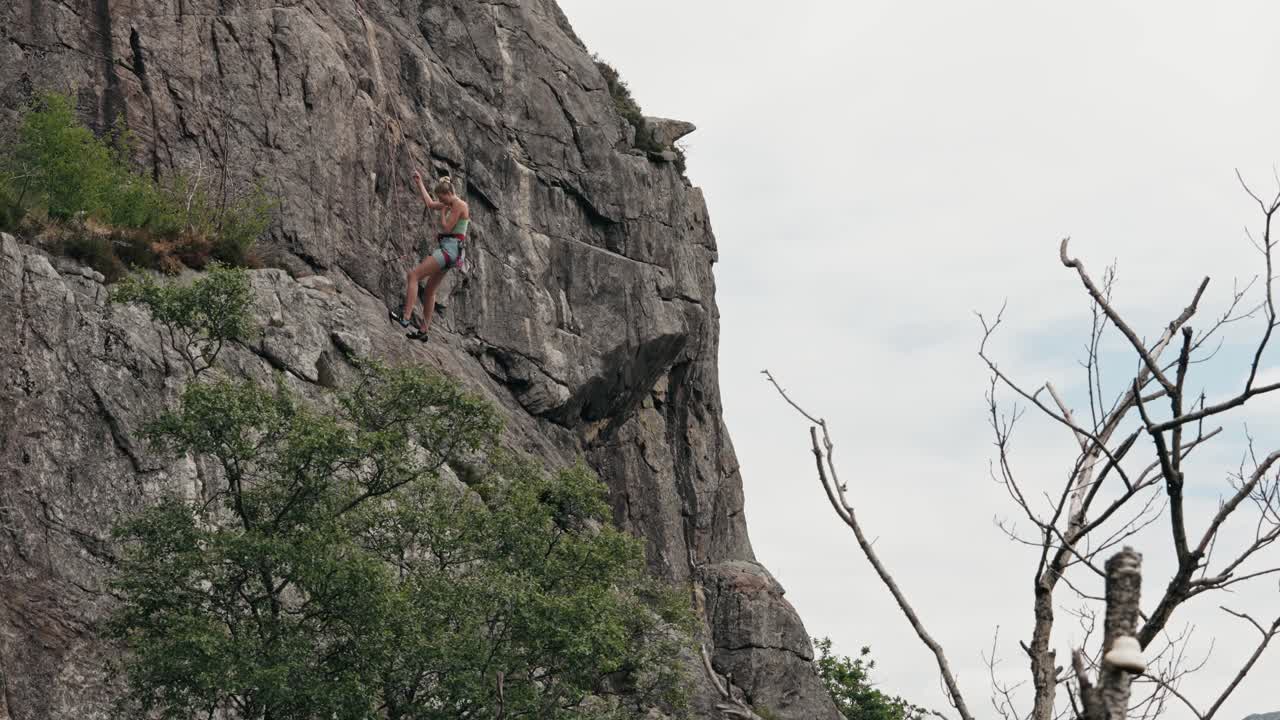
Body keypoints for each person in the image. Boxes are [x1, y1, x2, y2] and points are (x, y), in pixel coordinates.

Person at [389, 172, 469, 342]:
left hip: (450, 250)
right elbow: (431, 204)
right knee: (430, 291)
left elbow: (447, 228)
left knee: (413, 275)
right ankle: (424, 331)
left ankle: (406, 317)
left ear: (448, 194)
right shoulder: (451, 203)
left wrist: (443, 212)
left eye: (443, 198)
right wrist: (419, 184)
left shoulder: (459, 205)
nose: (443, 202)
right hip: (451, 252)